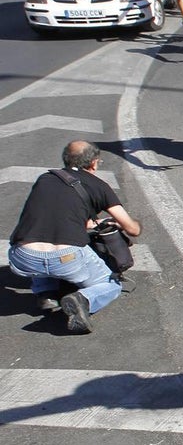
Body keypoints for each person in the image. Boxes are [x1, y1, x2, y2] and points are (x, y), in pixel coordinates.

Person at [8, 140, 142, 334]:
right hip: (66, 258)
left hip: (22, 256)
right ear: (94, 163)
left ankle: (46, 292)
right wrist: (131, 224)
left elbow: (55, 216)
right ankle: (83, 300)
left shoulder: (45, 179)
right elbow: (132, 229)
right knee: (109, 284)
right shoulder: (99, 186)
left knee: (43, 244)